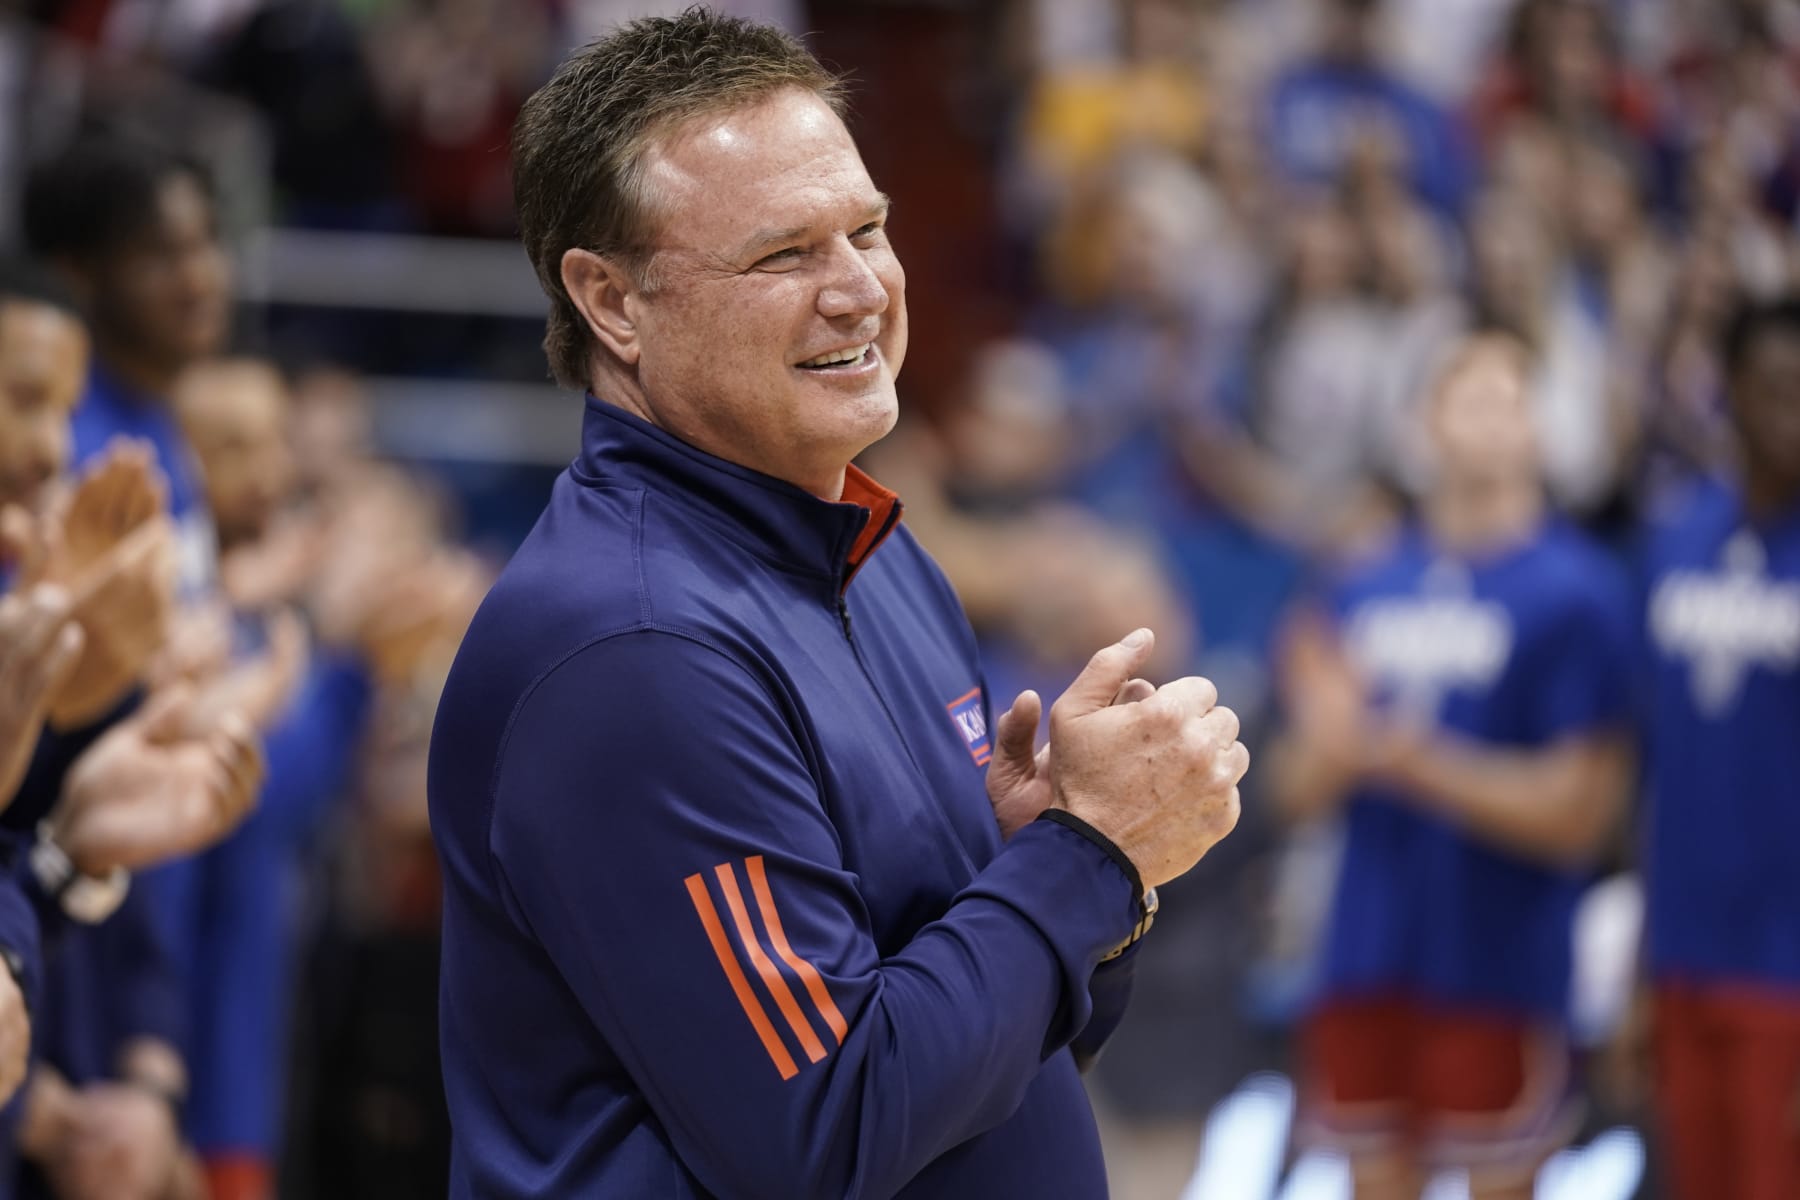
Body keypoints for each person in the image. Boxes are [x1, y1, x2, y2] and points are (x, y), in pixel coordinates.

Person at [428, 11, 1247, 1199]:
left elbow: (996, 1049)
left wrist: (1053, 874)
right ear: (613, 303)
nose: (861, 289)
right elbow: (825, 1132)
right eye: (784, 256)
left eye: (868, 230)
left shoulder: (878, 556)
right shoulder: (635, 649)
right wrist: (1087, 858)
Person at [1271, 333, 1634, 1200]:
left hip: (1500, 961)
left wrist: (1408, 757)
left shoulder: (1577, 592)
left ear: (1538, 430)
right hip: (1364, 948)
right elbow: (1290, 790)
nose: (1484, 420)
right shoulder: (1360, 584)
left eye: (1505, 399)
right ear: (1422, 425)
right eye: (1463, 397)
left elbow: (1581, 814)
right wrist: (1333, 741)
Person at [1642, 295, 1800, 1200]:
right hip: (1685, 953)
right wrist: (1639, 960)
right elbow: (1654, 764)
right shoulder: (1677, 537)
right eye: (1773, 388)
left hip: (1786, 964)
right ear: (1731, 392)